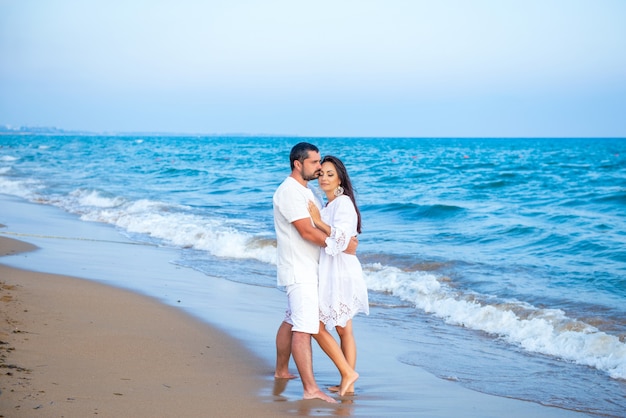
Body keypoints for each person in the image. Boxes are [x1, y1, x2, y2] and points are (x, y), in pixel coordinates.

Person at [272, 143, 358, 401]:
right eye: (314, 163)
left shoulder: (310, 193)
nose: (319, 167)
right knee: (303, 327)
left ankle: (281, 370)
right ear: (298, 164)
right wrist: (342, 245)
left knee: (291, 319)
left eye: (321, 162)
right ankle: (311, 389)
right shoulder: (290, 192)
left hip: (312, 268)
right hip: (300, 269)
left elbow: (330, 226)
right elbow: (308, 231)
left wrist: (342, 241)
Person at [307, 155, 369, 394]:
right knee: (342, 329)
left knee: (332, 327)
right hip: (332, 270)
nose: (324, 178)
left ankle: (348, 376)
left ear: (340, 178)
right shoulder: (329, 205)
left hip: (342, 271)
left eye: (330, 174)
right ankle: (348, 381)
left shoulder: (343, 203)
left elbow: (343, 238)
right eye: (321, 173)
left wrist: (317, 222)